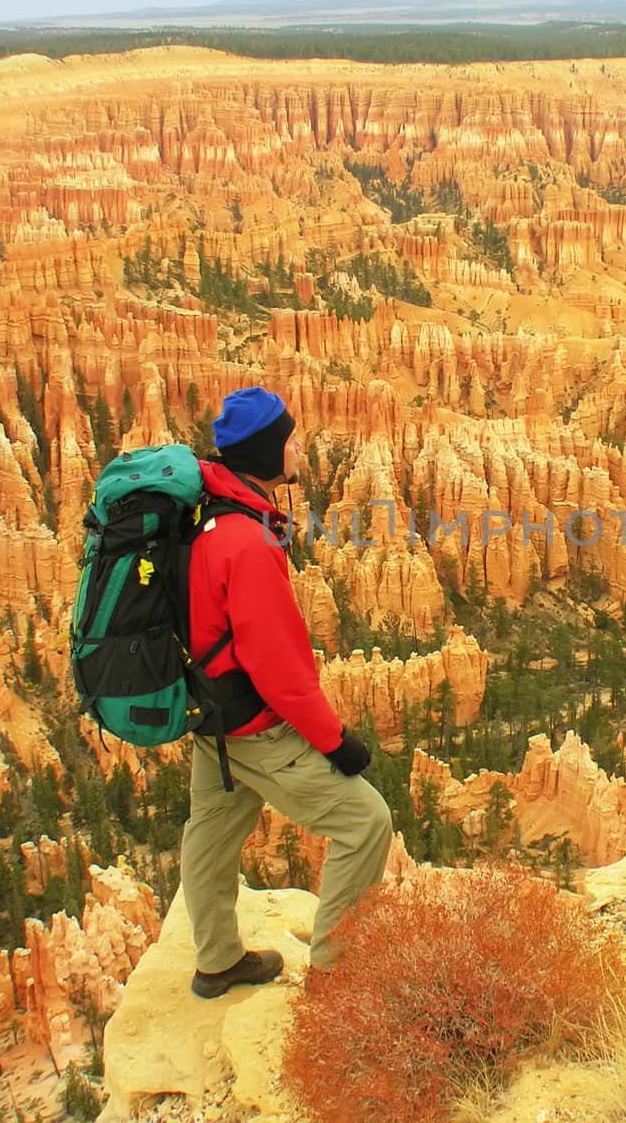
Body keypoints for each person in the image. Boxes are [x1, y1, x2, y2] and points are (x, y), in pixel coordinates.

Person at [181, 386, 391, 998]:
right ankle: (337, 974)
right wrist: (336, 742)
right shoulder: (246, 542)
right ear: (268, 452)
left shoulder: (211, 512)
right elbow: (278, 667)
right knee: (366, 822)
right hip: (255, 725)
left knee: (212, 833)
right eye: (290, 438)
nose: (299, 446)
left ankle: (217, 961)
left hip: (211, 714)